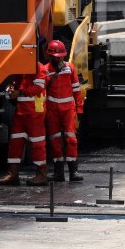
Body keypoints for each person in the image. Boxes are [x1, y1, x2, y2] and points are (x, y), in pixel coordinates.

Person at [0, 61, 49, 186]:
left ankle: (41, 174)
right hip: (21, 111)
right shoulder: (20, 66)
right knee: (15, 141)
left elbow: (38, 88)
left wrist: (19, 92)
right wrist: (11, 90)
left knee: (37, 143)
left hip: (34, 111)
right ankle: (13, 173)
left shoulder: (39, 67)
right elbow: (17, 85)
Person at [44, 39, 85, 182]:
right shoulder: (45, 70)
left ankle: (73, 172)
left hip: (68, 110)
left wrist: (79, 109)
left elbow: (76, 90)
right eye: (56, 57)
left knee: (71, 139)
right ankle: (58, 173)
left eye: (61, 56)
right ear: (49, 56)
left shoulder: (70, 68)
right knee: (55, 140)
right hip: (52, 110)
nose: (59, 59)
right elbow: (42, 91)